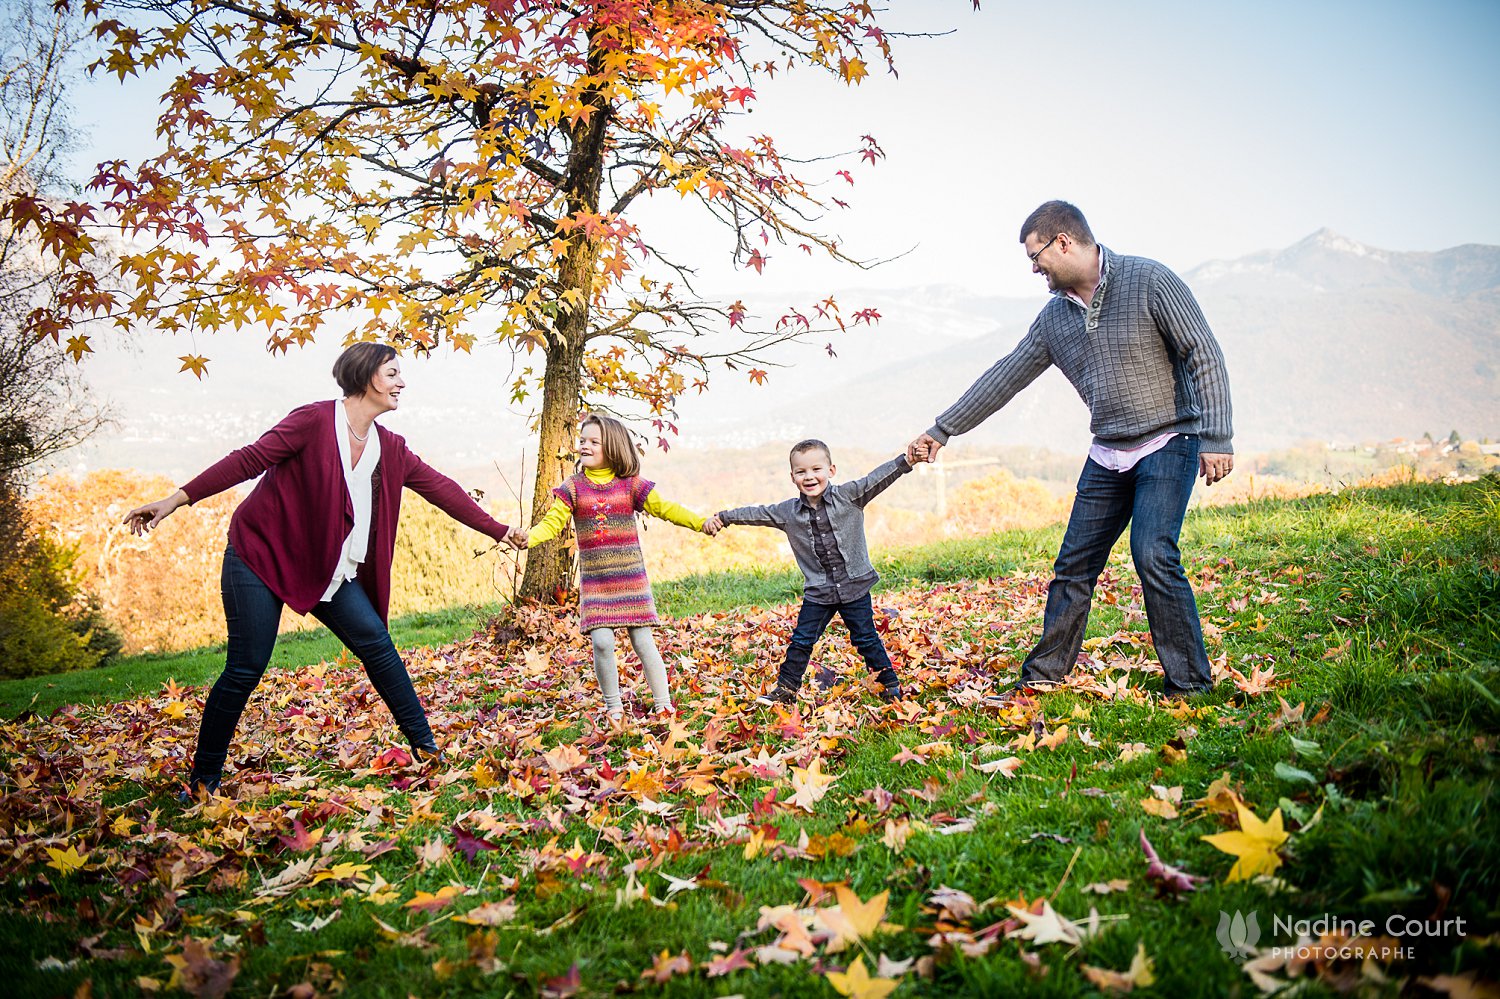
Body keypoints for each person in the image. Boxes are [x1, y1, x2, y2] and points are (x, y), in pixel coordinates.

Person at [124, 343, 525, 798]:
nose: (401, 383)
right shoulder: (314, 421)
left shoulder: (388, 447)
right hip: (261, 556)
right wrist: (176, 499)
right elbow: (247, 460)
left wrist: (498, 529)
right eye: (393, 373)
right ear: (368, 376)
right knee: (246, 667)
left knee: (377, 644)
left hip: (326, 567)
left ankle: (428, 751)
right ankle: (202, 782)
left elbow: (441, 489)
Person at [907, 201, 1234, 701]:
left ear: (1063, 241)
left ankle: (1190, 684)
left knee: (1152, 553)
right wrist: (942, 429)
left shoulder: (1149, 279)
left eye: (1035, 256)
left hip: (1171, 439)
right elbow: (1004, 377)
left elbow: (1202, 352)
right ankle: (1043, 675)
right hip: (1108, 452)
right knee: (1073, 567)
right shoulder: (1053, 319)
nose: (1034, 268)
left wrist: (1217, 436)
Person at [522, 413, 716, 722]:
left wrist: (700, 523)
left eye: (593, 442)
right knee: (601, 642)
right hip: (597, 583)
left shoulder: (630, 485)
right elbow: (552, 523)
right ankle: (614, 706)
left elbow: (666, 509)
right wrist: (528, 538)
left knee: (642, 640)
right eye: (582, 440)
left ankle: (663, 702)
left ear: (611, 447)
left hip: (630, 579)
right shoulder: (573, 487)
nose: (584, 446)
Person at [706, 440, 911, 705]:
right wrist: (724, 517)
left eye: (816, 469)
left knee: (865, 637)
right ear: (793, 477)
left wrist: (906, 461)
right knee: (802, 640)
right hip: (820, 592)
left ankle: (889, 684)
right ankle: (786, 690)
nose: (810, 476)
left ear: (831, 470)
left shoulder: (849, 496)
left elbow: (877, 478)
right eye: (801, 472)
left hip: (854, 587)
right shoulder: (787, 513)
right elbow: (756, 513)